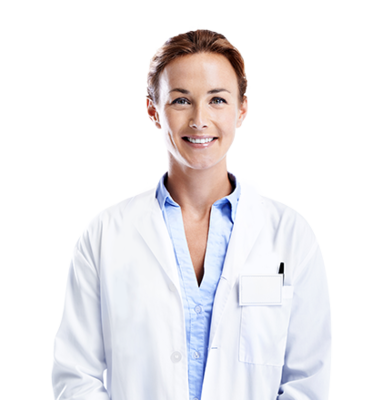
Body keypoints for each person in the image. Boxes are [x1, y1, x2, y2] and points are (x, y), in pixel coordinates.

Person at [50, 27, 334, 399]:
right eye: (181, 101)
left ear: (242, 109)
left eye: (217, 100)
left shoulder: (291, 234)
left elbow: (306, 381)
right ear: (153, 109)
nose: (199, 120)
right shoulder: (105, 234)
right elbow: (76, 376)